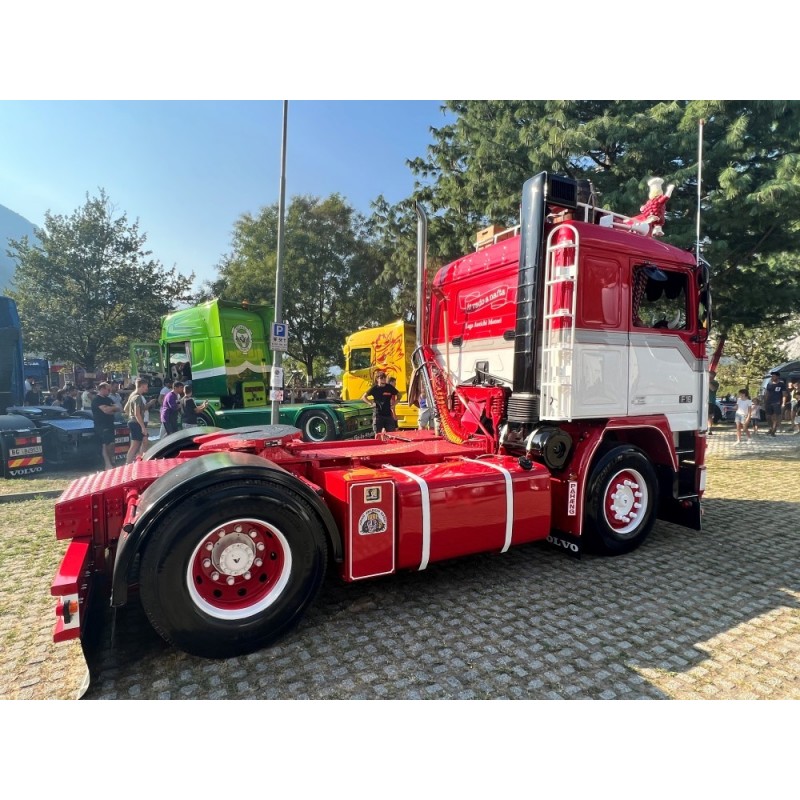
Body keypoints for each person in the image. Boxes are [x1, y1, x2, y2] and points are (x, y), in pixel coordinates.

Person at [91, 382, 123, 470]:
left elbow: (119, 408)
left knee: (111, 444)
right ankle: (107, 464)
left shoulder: (109, 399)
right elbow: (106, 410)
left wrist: (111, 408)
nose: (109, 391)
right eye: (108, 389)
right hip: (101, 425)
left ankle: (112, 461)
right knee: (105, 444)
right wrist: (112, 408)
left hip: (110, 424)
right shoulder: (97, 400)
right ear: (102, 389)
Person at [125, 377, 150, 463]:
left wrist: (130, 416)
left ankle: (140, 460)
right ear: (142, 386)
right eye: (146, 386)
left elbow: (125, 409)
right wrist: (142, 427)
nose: (147, 388)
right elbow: (137, 413)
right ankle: (128, 463)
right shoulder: (137, 397)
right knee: (135, 444)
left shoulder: (132, 395)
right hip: (136, 423)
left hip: (134, 422)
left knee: (145, 440)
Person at [764, 370, 788, 436]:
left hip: (777, 402)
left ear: (777, 377)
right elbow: (767, 393)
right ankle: (771, 428)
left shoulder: (781, 384)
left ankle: (773, 430)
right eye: (772, 376)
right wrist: (765, 401)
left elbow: (784, 394)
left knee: (775, 417)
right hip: (769, 402)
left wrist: (783, 403)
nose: (772, 377)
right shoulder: (769, 384)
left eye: (774, 376)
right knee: (768, 416)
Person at [707, 371, 720, 436]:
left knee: (709, 416)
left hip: (710, 401)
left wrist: (707, 381)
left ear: (713, 376)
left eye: (710, 375)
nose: (709, 376)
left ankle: (709, 430)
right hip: (703, 401)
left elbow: (712, 389)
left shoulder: (715, 383)